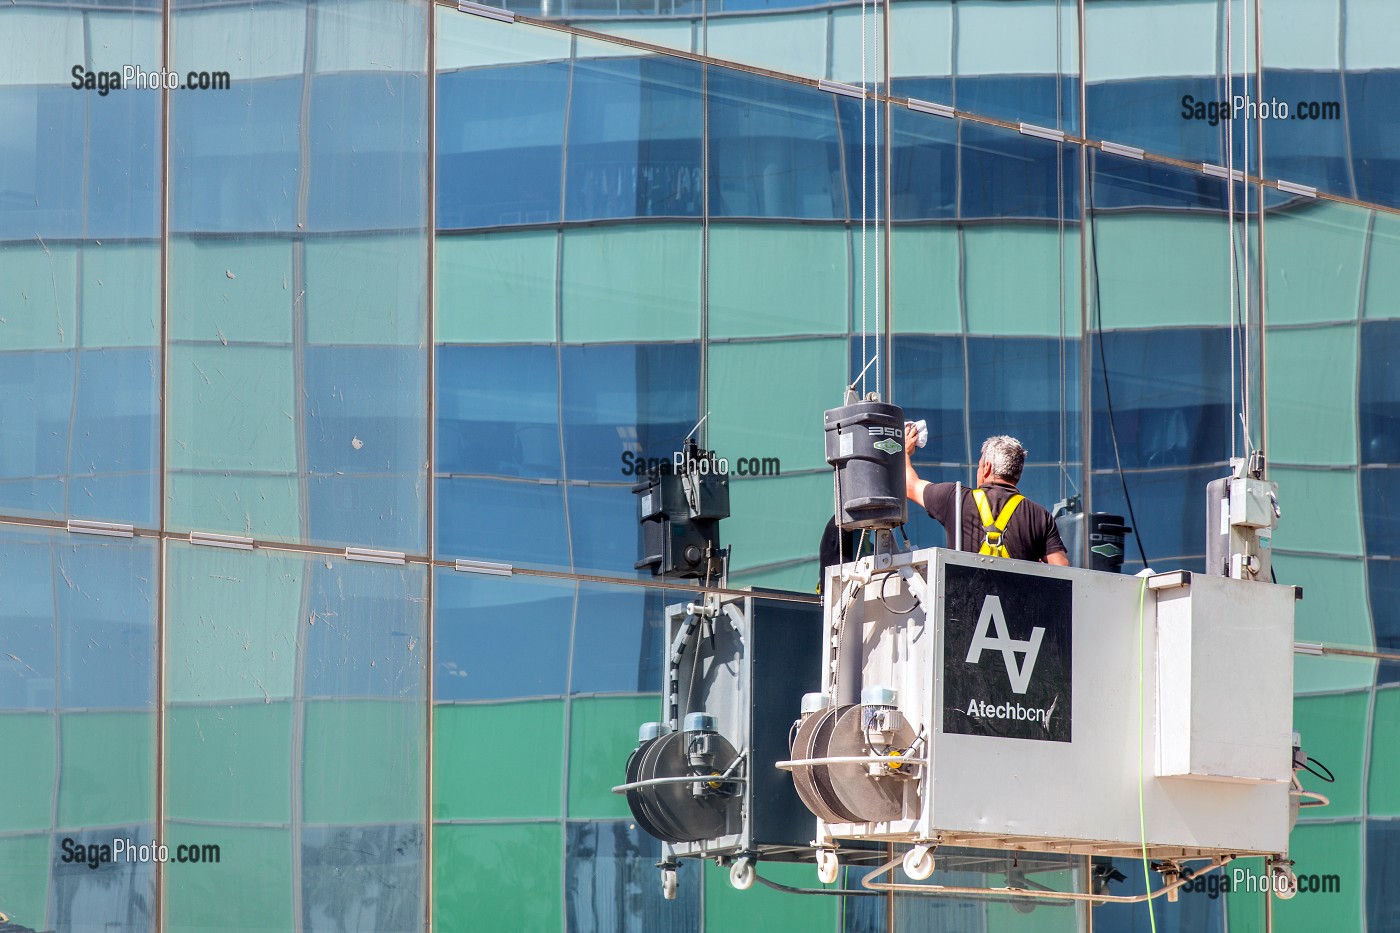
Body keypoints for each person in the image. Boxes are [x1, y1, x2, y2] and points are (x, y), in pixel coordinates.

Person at [904, 430, 1069, 565]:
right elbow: (1061, 570)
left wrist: (904, 452)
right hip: (1018, 605)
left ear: (987, 468)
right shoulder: (1039, 516)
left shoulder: (955, 499)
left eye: (980, 465)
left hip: (965, 602)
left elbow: (909, 485)